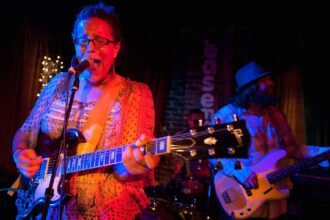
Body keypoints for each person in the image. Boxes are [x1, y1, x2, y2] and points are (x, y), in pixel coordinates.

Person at [11, 3, 160, 219]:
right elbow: (26, 130)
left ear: (116, 48)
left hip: (98, 212)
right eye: (83, 40)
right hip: (41, 206)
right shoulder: (59, 84)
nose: (90, 47)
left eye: (100, 40)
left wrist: (134, 165)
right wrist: (19, 153)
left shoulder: (135, 94)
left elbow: (124, 171)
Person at [210, 61, 329, 219]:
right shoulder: (225, 116)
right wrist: (242, 173)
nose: (272, 83)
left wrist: (324, 152)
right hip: (244, 202)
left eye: (270, 79)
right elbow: (214, 154)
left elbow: (293, 148)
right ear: (250, 88)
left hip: (276, 205)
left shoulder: (276, 116)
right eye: (265, 80)